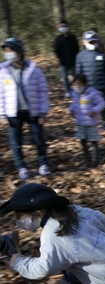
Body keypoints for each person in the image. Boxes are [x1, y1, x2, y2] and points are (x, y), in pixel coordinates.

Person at [0, 38, 51, 180]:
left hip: (32, 111)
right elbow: (0, 94)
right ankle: (21, 167)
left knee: (39, 138)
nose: (8, 54)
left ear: (20, 52)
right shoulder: (3, 70)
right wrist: (2, 114)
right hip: (13, 113)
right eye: (6, 51)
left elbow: (42, 91)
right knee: (16, 142)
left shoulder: (34, 69)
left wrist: (43, 112)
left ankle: (43, 164)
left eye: (11, 50)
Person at [75, 31, 105, 131]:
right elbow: (78, 73)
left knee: (103, 105)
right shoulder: (80, 56)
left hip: (102, 87)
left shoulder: (102, 55)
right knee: (87, 106)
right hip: (87, 88)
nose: (92, 44)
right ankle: (91, 125)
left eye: (94, 42)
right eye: (90, 42)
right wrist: (78, 86)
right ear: (83, 42)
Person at [69, 74, 105, 168]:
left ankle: (96, 160)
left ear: (85, 84)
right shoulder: (75, 93)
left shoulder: (92, 93)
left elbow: (102, 103)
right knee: (83, 141)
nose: (77, 87)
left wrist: (94, 110)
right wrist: (72, 109)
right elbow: (75, 104)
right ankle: (87, 160)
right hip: (80, 123)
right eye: (74, 85)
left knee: (94, 141)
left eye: (79, 85)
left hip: (91, 123)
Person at [53, 20, 79, 99]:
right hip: (63, 62)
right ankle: (67, 92)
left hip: (73, 61)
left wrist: (75, 58)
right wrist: (60, 58)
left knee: (76, 77)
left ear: (68, 27)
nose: (62, 28)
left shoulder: (72, 38)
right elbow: (56, 50)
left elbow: (76, 49)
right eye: (61, 27)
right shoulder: (58, 39)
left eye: (64, 26)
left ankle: (77, 91)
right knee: (64, 78)